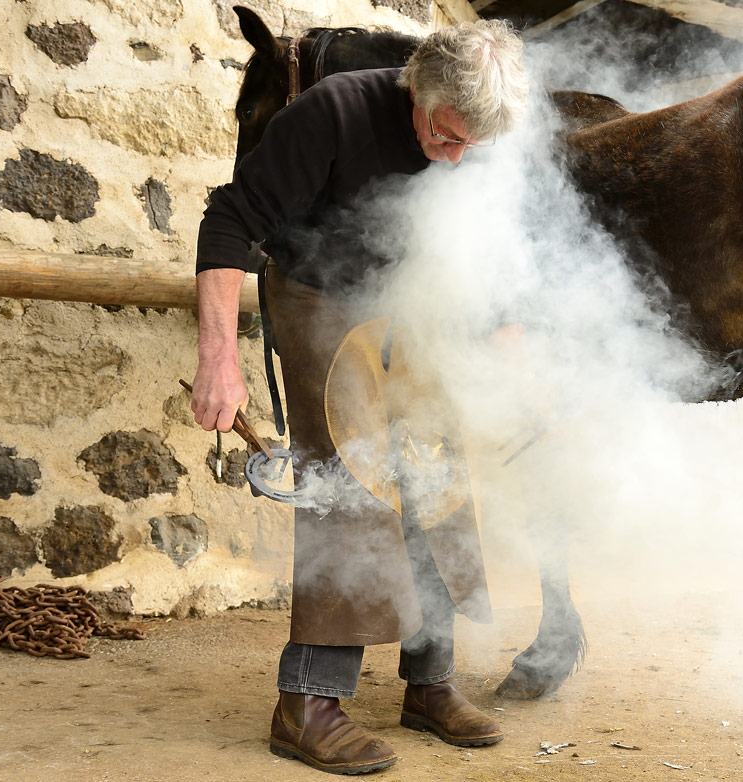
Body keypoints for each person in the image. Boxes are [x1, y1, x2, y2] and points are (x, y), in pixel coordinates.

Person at [191, 20, 530, 775]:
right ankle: (307, 704)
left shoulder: (471, 137)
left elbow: (491, 239)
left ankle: (429, 679)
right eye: (447, 138)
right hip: (318, 294)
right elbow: (228, 220)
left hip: (412, 298)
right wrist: (219, 356)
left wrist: (511, 329)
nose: (459, 157)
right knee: (352, 471)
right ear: (417, 91)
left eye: (474, 144)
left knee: (436, 472)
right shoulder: (334, 112)